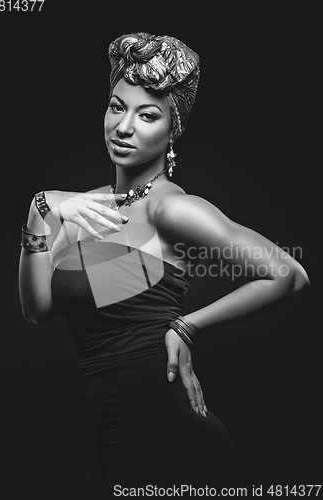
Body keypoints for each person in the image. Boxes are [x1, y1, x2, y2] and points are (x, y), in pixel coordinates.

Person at [18, 32, 310, 498]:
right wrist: (40, 210)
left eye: (147, 115)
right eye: (117, 107)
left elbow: (288, 274)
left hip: (174, 439)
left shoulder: (170, 210)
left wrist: (186, 326)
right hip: (114, 441)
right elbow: (37, 310)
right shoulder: (81, 209)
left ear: (173, 127)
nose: (124, 127)